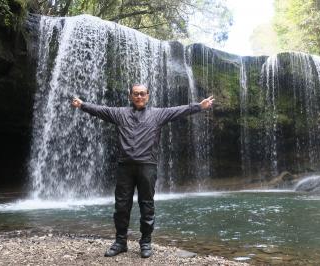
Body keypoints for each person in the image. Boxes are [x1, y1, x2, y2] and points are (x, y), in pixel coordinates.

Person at [71, 84, 214, 258]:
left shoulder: (158, 114)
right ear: (130, 96)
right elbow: (101, 110)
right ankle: (120, 242)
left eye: (142, 94)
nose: (139, 97)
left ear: (148, 96)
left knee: (147, 205)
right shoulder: (120, 113)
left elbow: (179, 110)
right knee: (121, 206)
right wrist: (83, 105)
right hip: (125, 166)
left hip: (147, 166)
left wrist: (199, 106)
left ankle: (145, 243)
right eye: (136, 94)